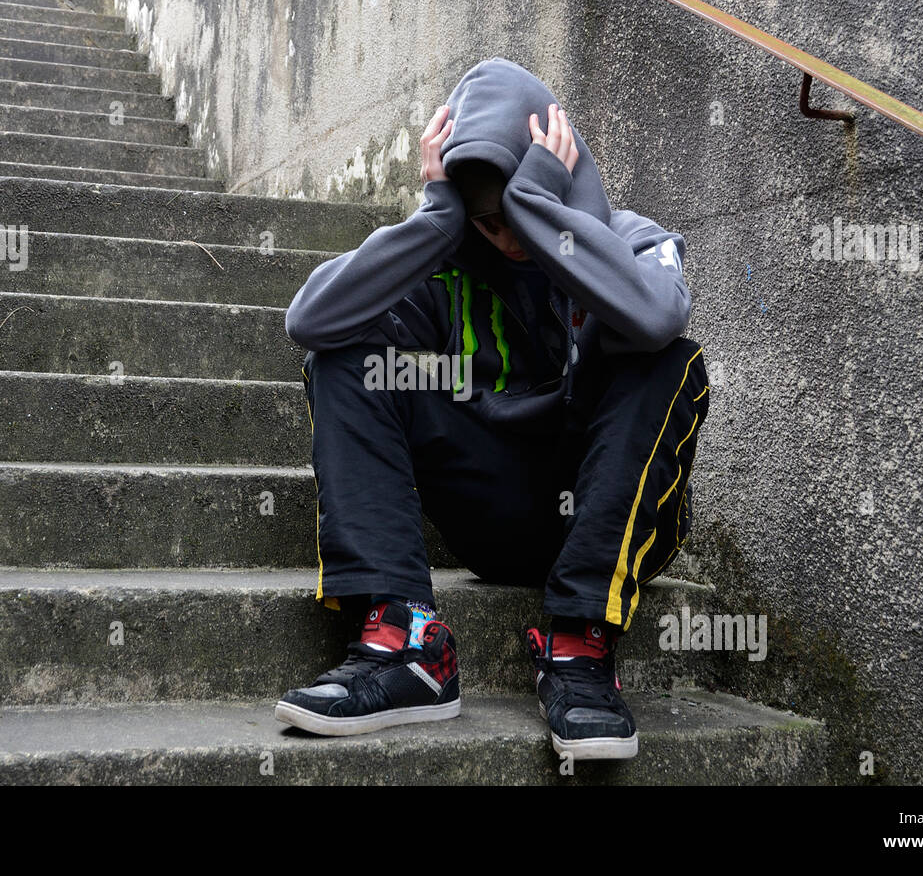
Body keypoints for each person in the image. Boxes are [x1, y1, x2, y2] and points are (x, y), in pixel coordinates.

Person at [275, 57, 708, 760]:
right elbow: (312, 322)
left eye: (517, 218)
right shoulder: (446, 264)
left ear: (561, 174)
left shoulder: (630, 238)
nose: (506, 240)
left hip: (615, 521)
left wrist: (545, 216)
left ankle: (578, 647)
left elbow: (658, 318)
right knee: (348, 359)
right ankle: (408, 648)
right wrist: (436, 219)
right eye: (488, 223)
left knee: (671, 359)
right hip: (499, 515)